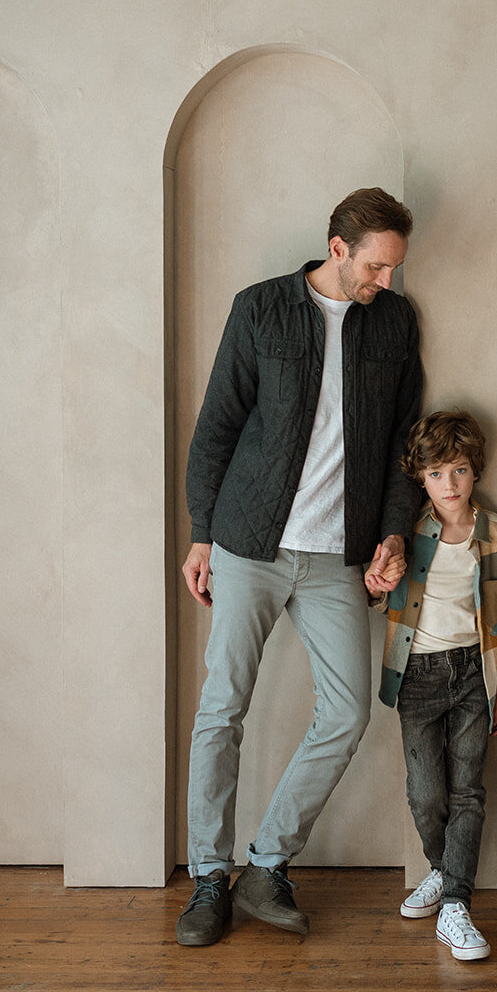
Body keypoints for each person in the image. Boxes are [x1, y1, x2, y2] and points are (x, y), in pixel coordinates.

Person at [175, 187, 422, 947]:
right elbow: (218, 423)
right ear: (338, 248)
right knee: (222, 709)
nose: (385, 282)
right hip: (249, 541)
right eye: (376, 267)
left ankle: (266, 864)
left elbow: (402, 443)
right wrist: (201, 534)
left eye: (394, 269)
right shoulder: (260, 309)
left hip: (334, 556)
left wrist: (392, 536)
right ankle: (208, 878)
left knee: (348, 710)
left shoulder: (395, 322)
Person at [376, 411, 497, 963]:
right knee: (425, 792)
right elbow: (379, 594)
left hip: (473, 675)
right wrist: (376, 581)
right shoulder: (407, 535)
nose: (449, 485)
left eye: (459, 470)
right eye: (437, 473)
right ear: (421, 478)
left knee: (468, 789)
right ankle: (442, 869)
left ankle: (457, 903)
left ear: (475, 472)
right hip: (417, 674)